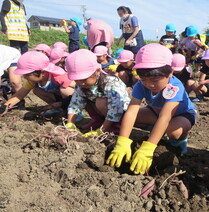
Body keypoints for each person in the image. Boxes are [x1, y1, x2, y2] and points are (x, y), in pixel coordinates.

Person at [106, 43, 197, 175]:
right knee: (125, 116)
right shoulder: (140, 85)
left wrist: (148, 147)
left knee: (174, 131)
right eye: (144, 79)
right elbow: (132, 111)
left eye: (155, 79)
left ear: (170, 73)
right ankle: (157, 130)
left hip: (181, 115)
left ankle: (180, 141)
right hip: (155, 112)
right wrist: (123, 140)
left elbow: (165, 117)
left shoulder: (175, 87)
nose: (149, 84)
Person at [64, 49, 130, 136]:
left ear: (97, 71)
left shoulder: (111, 83)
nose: (81, 83)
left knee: (100, 101)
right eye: (77, 80)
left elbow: (116, 109)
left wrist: (102, 130)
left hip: (122, 113)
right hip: (104, 112)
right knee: (82, 97)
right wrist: (70, 123)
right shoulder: (81, 86)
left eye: (84, 79)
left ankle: (115, 126)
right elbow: (75, 103)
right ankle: (99, 121)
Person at [0, 51, 75, 117]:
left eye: (27, 75)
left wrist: (63, 103)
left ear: (43, 73)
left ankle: (74, 113)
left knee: (65, 89)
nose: (25, 77)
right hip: (59, 99)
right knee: (36, 90)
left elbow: (79, 90)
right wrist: (5, 106)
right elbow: (19, 95)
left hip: (73, 100)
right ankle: (59, 109)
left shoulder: (58, 77)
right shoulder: (32, 81)